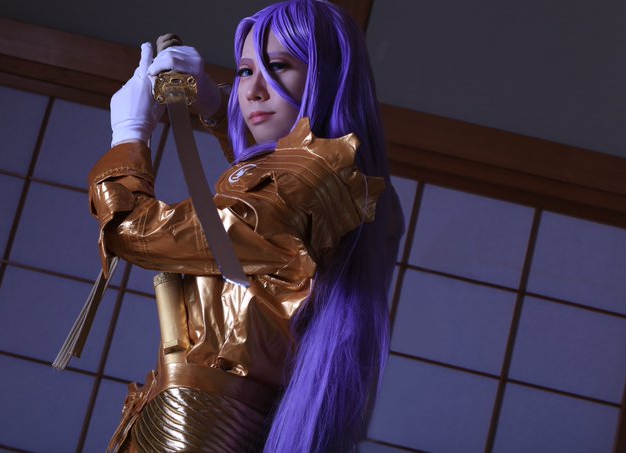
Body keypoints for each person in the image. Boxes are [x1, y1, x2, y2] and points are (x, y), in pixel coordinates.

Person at [89, 1, 403, 451]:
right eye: (244, 71)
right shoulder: (345, 179)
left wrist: (128, 134)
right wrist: (215, 103)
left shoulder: (300, 189)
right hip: (216, 420)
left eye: (279, 67)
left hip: (194, 428)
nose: (253, 90)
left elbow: (136, 230)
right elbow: (262, 184)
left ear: (327, 76)